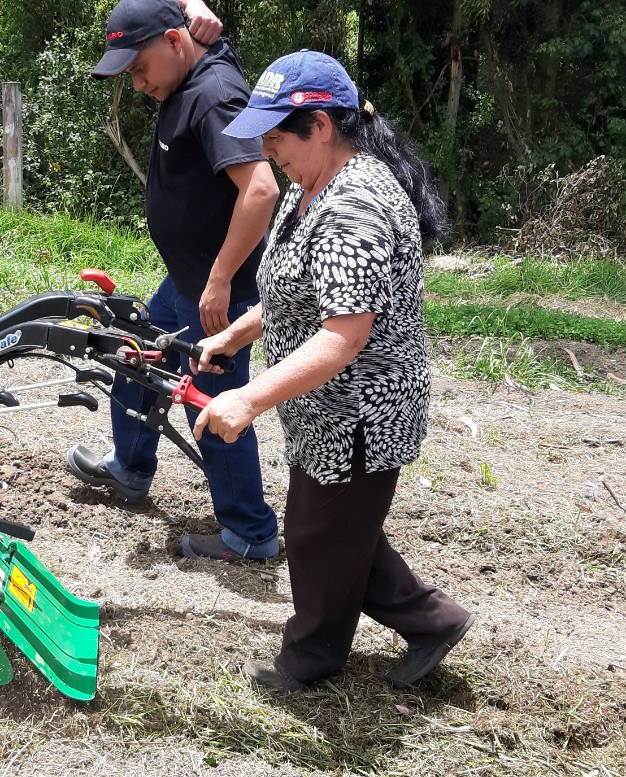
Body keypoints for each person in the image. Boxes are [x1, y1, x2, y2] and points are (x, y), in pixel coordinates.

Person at [191, 50, 474, 691]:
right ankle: (434, 620)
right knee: (338, 529)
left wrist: (248, 398)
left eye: (275, 134)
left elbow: (344, 336)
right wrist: (241, 330)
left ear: (320, 126)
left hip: (359, 413)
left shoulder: (355, 206)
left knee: (319, 536)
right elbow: (302, 289)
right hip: (326, 410)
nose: (267, 148)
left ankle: (310, 659)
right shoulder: (314, 187)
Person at [67, 0, 282, 562]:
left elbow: (261, 191)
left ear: (173, 41)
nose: (138, 84)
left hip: (217, 291)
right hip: (188, 278)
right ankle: (131, 469)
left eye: (140, 68)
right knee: (136, 353)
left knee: (210, 400)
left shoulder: (213, 95)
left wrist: (219, 281)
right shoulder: (197, 52)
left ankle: (251, 533)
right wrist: (193, 4)